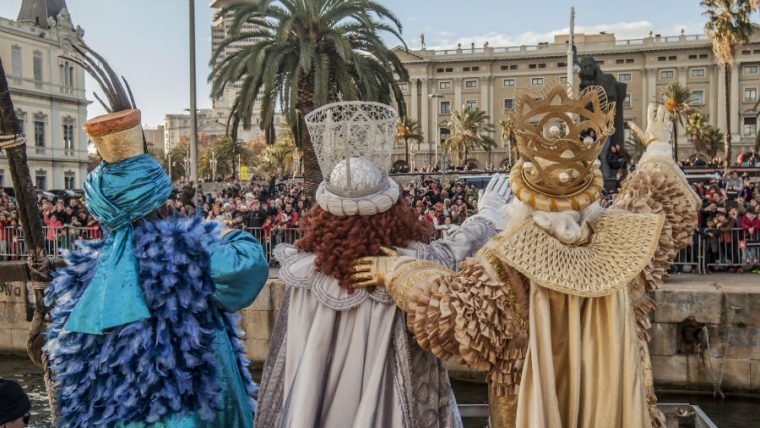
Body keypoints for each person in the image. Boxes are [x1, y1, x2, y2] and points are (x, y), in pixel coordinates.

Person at [352, 86, 700, 428]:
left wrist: (398, 271)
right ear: (588, 195)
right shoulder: (628, 241)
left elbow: (453, 313)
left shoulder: (505, 263)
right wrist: (658, 145)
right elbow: (661, 198)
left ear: (522, 198)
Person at [43, 44, 269, 428]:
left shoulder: (83, 277)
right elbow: (249, 266)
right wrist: (223, 229)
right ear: (159, 199)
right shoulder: (188, 253)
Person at [254, 102, 512, 427]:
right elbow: (455, 251)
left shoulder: (306, 273)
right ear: (392, 210)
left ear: (324, 214)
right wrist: (488, 214)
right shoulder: (410, 265)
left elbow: (292, 366)